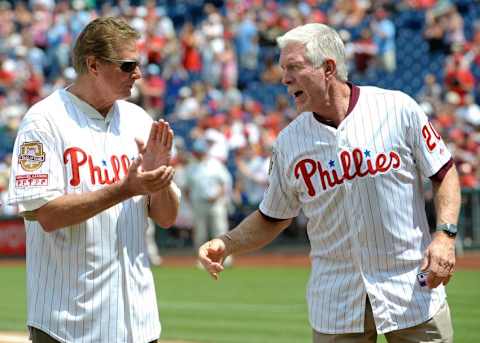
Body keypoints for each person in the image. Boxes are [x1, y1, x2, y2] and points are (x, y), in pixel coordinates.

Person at [198, 23, 461, 343]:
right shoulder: (290, 143)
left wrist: (445, 235)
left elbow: (444, 172)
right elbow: (272, 217)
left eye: (293, 67)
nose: (284, 79)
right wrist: (227, 243)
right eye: (283, 69)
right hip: (336, 302)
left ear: (328, 68)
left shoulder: (397, 109)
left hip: (412, 290)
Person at [7, 17, 181, 343]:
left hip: (140, 323)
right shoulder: (44, 122)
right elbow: (47, 214)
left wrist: (161, 181)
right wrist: (124, 189)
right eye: (127, 65)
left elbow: (167, 218)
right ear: (93, 65)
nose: (138, 74)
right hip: (68, 325)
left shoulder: (137, 120)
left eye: (138, 64)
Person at [185, 139, 233, 266]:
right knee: (200, 234)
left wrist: (217, 196)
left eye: (201, 152)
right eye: (197, 152)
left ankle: (225, 258)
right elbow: (186, 188)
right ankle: (202, 260)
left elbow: (224, 183)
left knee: (220, 231)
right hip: (199, 203)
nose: (199, 154)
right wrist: (191, 203)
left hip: (216, 202)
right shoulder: (191, 167)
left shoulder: (215, 164)